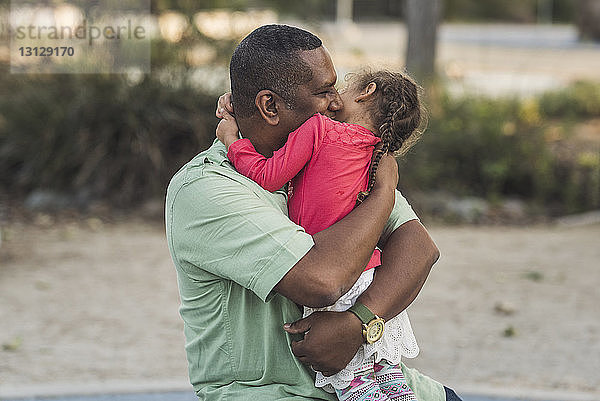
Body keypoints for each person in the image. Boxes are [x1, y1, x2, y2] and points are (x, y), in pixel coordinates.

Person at [165, 24, 462, 401]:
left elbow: (420, 250)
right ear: (269, 106)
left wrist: (360, 323)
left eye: (336, 88)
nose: (336, 102)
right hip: (275, 394)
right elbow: (323, 282)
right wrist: (384, 191)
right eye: (324, 92)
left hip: (384, 387)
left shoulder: (332, 153)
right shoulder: (206, 189)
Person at [216, 69, 424, 401]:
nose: (329, 100)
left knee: (357, 391)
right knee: (391, 388)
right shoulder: (376, 156)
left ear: (365, 92)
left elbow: (268, 175)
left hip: (336, 279)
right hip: (369, 277)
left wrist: (231, 137)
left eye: (335, 89)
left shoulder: (319, 130)